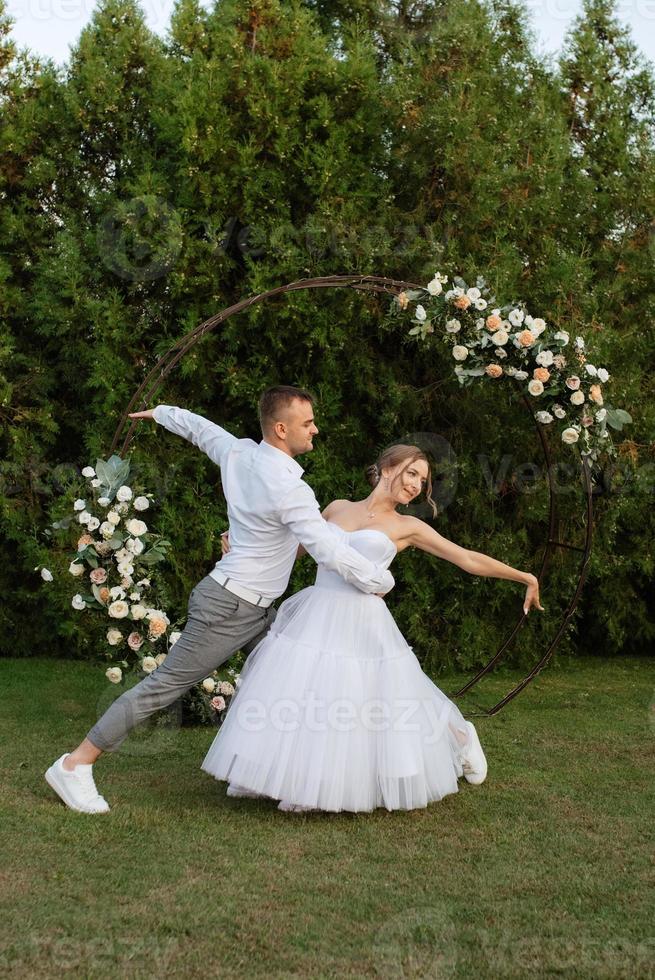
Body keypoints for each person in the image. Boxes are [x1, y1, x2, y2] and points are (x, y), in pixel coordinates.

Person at [45, 386, 397, 814]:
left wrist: (161, 412)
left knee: (297, 678)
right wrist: (377, 578)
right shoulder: (289, 489)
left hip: (254, 606)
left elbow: (198, 428)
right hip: (229, 607)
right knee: (165, 686)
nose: (316, 429)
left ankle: (268, 776)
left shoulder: (239, 453)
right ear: (282, 429)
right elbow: (326, 548)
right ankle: (75, 764)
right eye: (308, 423)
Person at [202, 444, 544, 813]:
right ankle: (300, 776)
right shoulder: (336, 508)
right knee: (312, 696)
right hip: (317, 609)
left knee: (383, 696)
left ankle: (459, 735)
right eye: (412, 473)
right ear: (385, 467)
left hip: (363, 618)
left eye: (423, 481)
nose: (416, 485)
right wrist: (240, 543)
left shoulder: (407, 527)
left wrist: (524, 576)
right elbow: (292, 548)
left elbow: (466, 558)